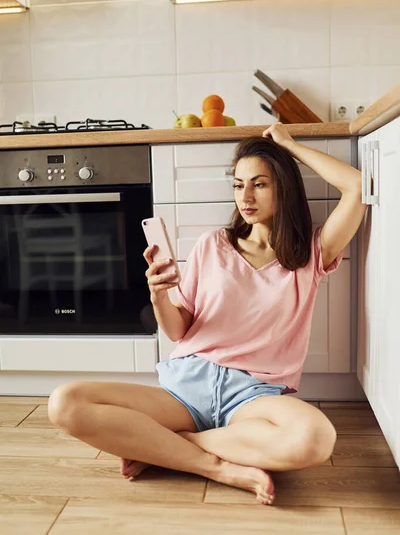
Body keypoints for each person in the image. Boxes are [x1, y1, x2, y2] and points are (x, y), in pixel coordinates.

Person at [48, 123, 368, 506]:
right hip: (186, 387)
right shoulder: (213, 245)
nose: (245, 196)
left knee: (316, 438)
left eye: (260, 184)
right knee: (65, 401)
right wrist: (159, 297)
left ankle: (169, 448)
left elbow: (356, 188)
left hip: (252, 398)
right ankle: (212, 466)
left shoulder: (310, 254)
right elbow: (179, 330)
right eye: (237, 185)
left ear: (285, 186)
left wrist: (289, 145)